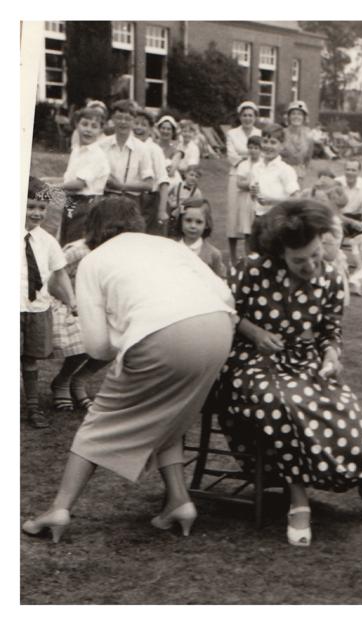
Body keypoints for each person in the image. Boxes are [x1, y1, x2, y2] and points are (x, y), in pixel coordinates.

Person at [22, 196, 235, 543]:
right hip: (217, 328)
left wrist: (123, 331)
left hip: (162, 335)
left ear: (93, 228)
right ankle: (179, 502)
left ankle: (58, 510)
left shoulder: (95, 261)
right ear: (136, 222)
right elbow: (224, 293)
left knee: (99, 422)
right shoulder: (168, 245)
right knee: (171, 414)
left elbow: (95, 347)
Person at [217, 199, 362, 547]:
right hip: (250, 362)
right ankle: (299, 500)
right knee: (283, 404)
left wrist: (332, 355)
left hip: (305, 360)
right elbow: (224, 310)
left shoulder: (333, 279)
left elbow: (330, 331)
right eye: (299, 260)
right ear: (280, 254)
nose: (310, 266)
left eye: (315, 255)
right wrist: (255, 333)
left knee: (345, 405)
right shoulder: (252, 269)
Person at [21, 177, 77, 428]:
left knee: (30, 358)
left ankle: (32, 407)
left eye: (41, 208)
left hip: (36, 308)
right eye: (30, 206)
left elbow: (60, 273)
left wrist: (72, 301)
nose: (36, 213)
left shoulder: (48, 242)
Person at [50, 209, 109, 412]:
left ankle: (80, 380)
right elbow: (52, 281)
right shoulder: (78, 250)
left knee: (117, 335)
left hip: (94, 307)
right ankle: (63, 381)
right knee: (85, 335)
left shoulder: (112, 253)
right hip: (65, 303)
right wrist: (72, 302)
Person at [59, 107, 110, 246]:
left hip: (86, 204)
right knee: (65, 241)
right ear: (77, 125)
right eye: (84, 124)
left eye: (94, 126)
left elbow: (79, 184)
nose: (88, 129)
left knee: (77, 244)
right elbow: (70, 179)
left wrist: (53, 188)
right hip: (72, 201)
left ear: (100, 131)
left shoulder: (97, 155)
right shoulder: (77, 150)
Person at [225, 101, 262, 264]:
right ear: (240, 116)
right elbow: (231, 155)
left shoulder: (260, 132)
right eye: (244, 115)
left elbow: (263, 152)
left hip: (258, 174)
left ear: (255, 117)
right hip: (237, 175)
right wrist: (247, 163)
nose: (247, 118)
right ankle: (233, 255)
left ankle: (253, 252)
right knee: (234, 215)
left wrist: (255, 166)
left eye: (250, 115)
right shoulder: (232, 133)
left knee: (253, 214)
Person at [100, 100, 153, 204]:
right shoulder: (102, 145)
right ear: (112, 119)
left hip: (131, 201)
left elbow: (149, 184)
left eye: (128, 119)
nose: (123, 122)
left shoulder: (142, 148)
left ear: (133, 121)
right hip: (105, 198)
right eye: (119, 117)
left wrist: (121, 186)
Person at [250, 124, 300, 219]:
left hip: (279, 218)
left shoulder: (285, 170)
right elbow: (254, 198)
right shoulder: (256, 167)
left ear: (282, 146)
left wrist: (271, 201)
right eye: (265, 141)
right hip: (259, 217)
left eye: (273, 142)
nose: (268, 146)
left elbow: (296, 199)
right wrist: (253, 194)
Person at [133, 109, 170, 236]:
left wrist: (162, 210)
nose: (139, 128)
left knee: (150, 236)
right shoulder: (130, 147)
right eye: (136, 123)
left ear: (150, 129)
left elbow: (163, 181)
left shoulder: (154, 149)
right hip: (132, 198)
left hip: (151, 200)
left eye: (143, 125)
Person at [174, 199, 226, 278]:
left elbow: (220, 282)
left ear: (206, 224)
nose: (193, 226)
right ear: (181, 221)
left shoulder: (213, 254)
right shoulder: (172, 248)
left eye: (199, 222)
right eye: (188, 220)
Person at [235, 135, 263, 253]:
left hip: (259, 200)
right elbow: (239, 183)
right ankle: (248, 258)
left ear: (261, 149)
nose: (253, 150)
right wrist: (249, 184)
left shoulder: (263, 164)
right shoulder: (243, 164)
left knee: (259, 231)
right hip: (246, 200)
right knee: (248, 231)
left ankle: (260, 255)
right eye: (250, 147)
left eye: (256, 148)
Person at [281, 100, 314, 186]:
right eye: (293, 114)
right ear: (288, 117)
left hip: (299, 176)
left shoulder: (309, 136)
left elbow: (307, 159)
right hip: (282, 174)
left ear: (304, 117)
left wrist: (302, 171)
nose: (296, 117)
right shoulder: (282, 133)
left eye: (299, 114)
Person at [168, 165, 203, 238]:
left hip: (186, 215)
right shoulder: (177, 185)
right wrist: (171, 202)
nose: (193, 178)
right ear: (185, 174)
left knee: (183, 235)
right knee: (170, 234)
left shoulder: (197, 192)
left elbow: (199, 206)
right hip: (173, 213)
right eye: (191, 175)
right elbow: (166, 194)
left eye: (196, 177)